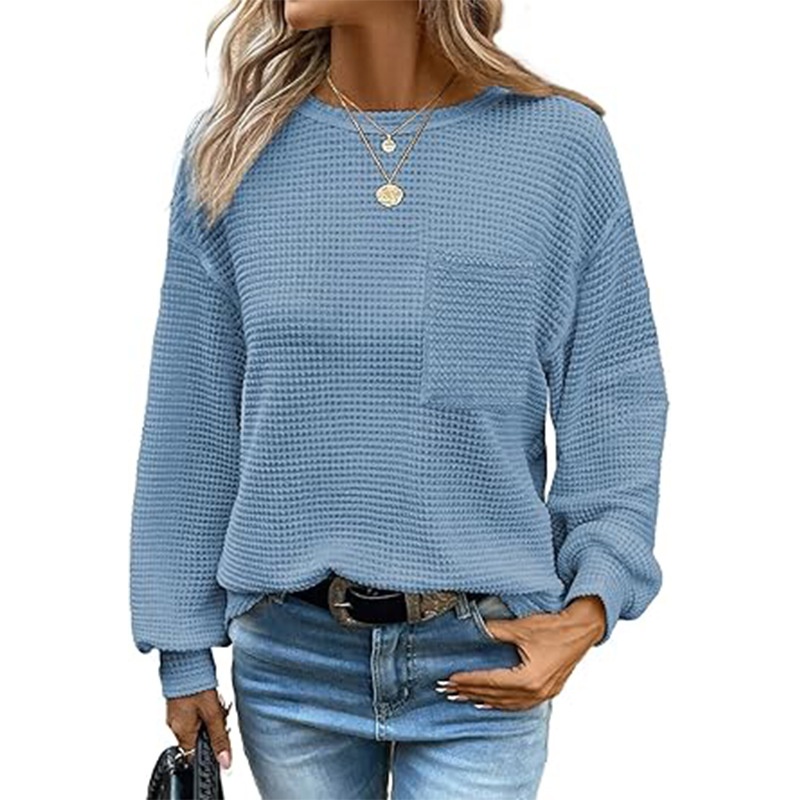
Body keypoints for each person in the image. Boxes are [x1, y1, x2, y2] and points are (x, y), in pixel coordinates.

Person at [129, 1, 670, 797]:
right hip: (291, 665)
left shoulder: (559, 149)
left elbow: (614, 393)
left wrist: (591, 608)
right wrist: (181, 649)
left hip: (486, 657)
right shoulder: (232, 151)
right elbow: (191, 416)